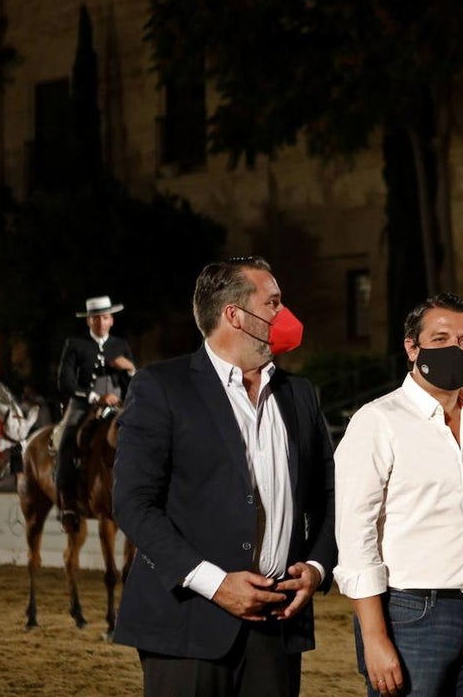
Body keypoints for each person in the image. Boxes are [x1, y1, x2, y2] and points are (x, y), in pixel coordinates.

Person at [112, 257, 336, 697]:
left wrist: (316, 566)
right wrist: (215, 584)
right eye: (273, 303)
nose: (283, 315)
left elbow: (329, 494)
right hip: (187, 626)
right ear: (234, 315)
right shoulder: (161, 386)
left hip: (279, 625)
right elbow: (133, 503)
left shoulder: (300, 395)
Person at [333, 293, 463, 696]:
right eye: (440, 339)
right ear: (411, 347)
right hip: (408, 615)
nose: (455, 349)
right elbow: (356, 537)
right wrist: (374, 637)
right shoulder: (377, 421)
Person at [53, 295, 135, 531]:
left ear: (111, 321)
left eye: (106, 318)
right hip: (84, 405)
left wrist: (130, 369)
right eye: (96, 318)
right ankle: (68, 504)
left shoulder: (121, 345)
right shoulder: (75, 344)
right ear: (89, 321)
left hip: (118, 405)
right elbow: (65, 382)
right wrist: (95, 397)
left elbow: (135, 384)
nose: (101, 322)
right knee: (67, 440)